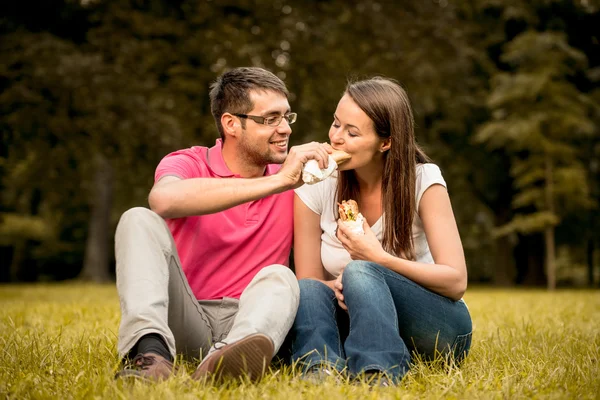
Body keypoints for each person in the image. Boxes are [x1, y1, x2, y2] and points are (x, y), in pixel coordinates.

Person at [114, 67, 331, 382]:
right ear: (231, 123)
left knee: (280, 276)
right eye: (270, 119)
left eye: (287, 117)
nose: (285, 128)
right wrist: (280, 181)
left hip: (254, 321)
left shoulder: (299, 179)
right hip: (186, 318)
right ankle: (151, 356)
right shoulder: (189, 162)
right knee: (136, 218)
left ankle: (228, 362)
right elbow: (163, 200)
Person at [290, 77, 473, 385]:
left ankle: (380, 372)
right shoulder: (317, 185)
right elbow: (309, 279)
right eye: (336, 124)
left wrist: (378, 258)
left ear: (385, 142)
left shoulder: (423, 181)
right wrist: (331, 285)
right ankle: (319, 368)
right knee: (307, 289)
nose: (336, 138)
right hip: (355, 322)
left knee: (361, 271)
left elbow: (456, 282)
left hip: (438, 327)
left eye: (352, 132)